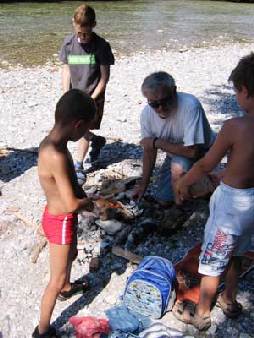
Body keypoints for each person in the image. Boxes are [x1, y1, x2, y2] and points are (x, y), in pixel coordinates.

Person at [176, 53, 254, 331]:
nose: (236, 98)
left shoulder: (236, 126)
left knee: (212, 259)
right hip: (252, 207)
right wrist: (227, 175)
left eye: (236, 92)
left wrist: (184, 181)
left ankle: (203, 311)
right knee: (238, 252)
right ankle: (229, 299)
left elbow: (206, 162)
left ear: (244, 90)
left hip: (230, 209)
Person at [33, 89, 96, 338]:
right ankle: (43, 329)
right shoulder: (56, 154)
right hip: (60, 220)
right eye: (86, 130)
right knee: (54, 281)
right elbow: (70, 204)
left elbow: (68, 181)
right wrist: (88, 203)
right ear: (77, 124)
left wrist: (80, 193)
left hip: (55, 216)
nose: (85, 135)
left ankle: (68, 287)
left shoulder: (52, 142)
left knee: (71, 252)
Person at [133, 71, 215, 205]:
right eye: (154, 104)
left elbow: (193, 151)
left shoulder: (190, 105)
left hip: (205, 152)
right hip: (175, 154)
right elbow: (149, 151)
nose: (160, 108)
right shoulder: (146, 115)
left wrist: (156, 142)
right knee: (163, 198)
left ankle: (181, 206)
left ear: (174, 91)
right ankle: (193, 187)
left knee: (178, 170)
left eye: (164, 101)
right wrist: (144, 184)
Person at [59, 4, 115, 184]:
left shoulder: (101, 46)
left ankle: (78, 164)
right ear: (73, 24)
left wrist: (91, 99)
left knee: (82, 127)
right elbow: (66, 70)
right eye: (79, 33)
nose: (82, 38)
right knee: (71, 126)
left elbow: (104, 78)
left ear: (94, 25)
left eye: (86, 33)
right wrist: (65, 93)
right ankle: (95, 140)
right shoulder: (68, 44)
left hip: (93, 96)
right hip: (74, 95)